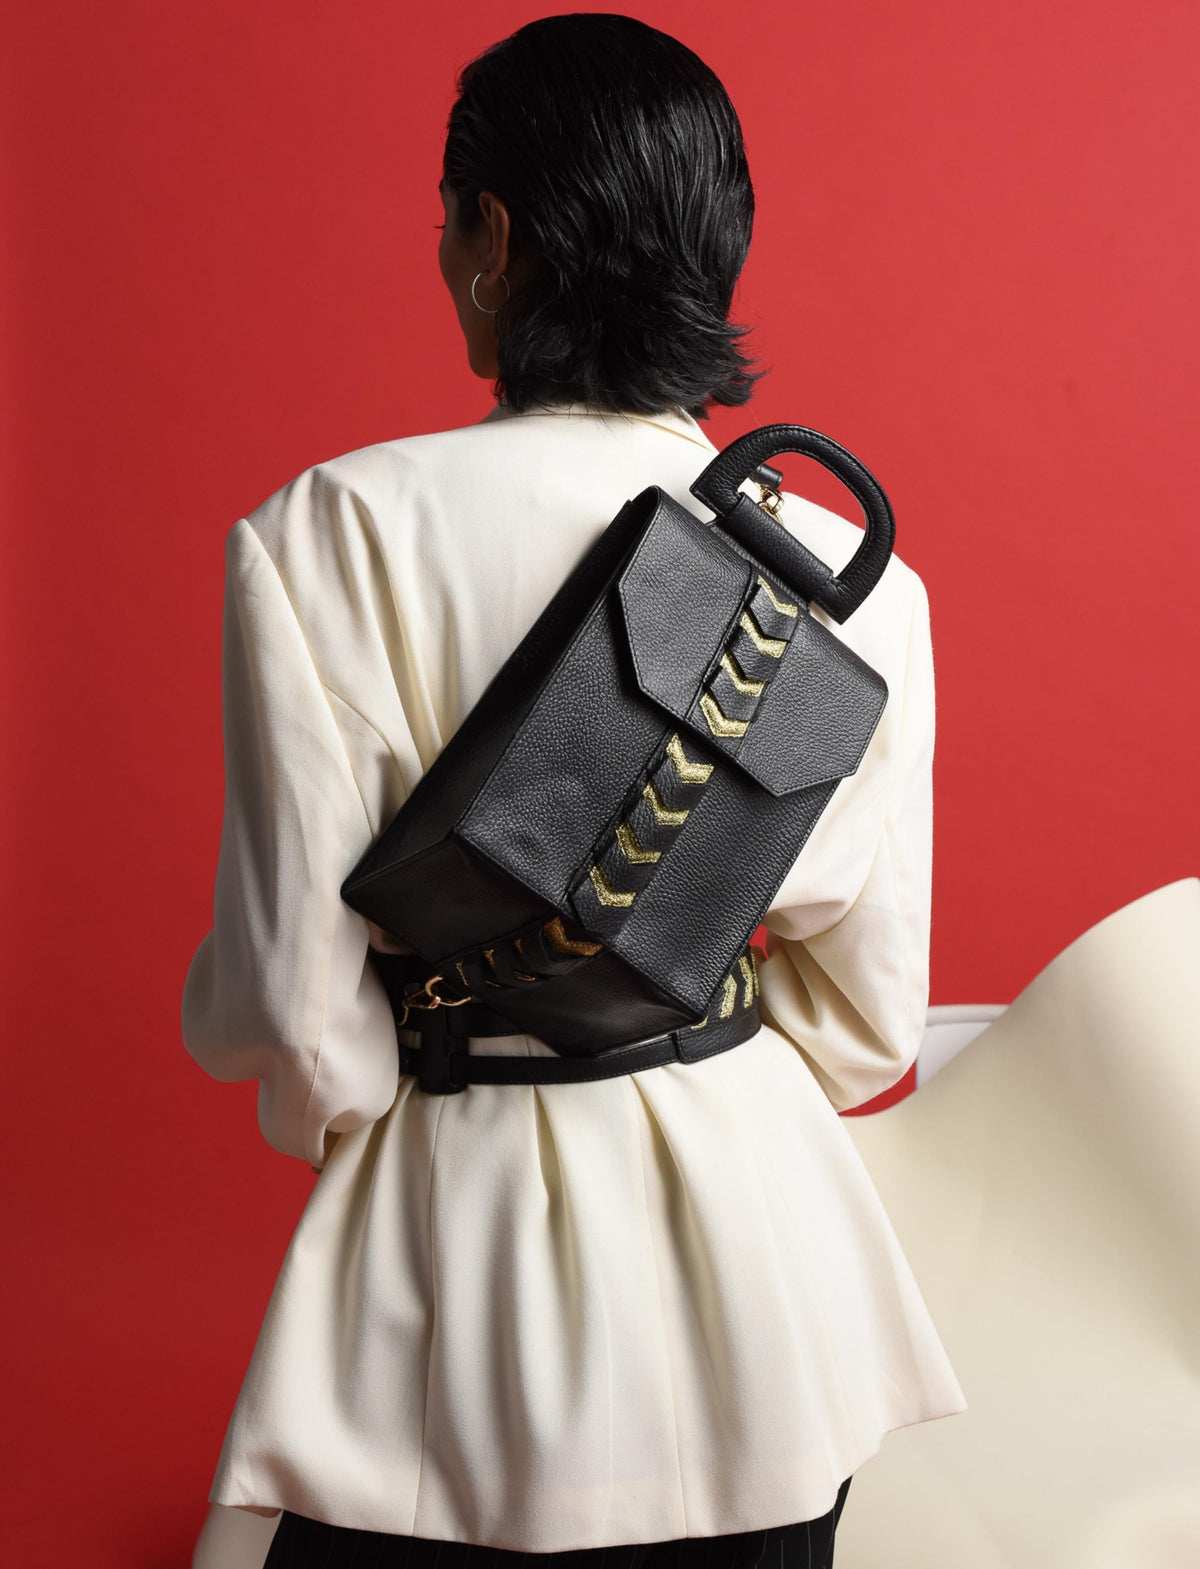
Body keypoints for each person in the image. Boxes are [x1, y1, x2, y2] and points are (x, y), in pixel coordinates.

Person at [181, 15, 966, 1569]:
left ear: (493, 239)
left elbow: (302, 1017)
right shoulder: (855, 581)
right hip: (770, 1290)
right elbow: (868, 1026)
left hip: (451, 1273)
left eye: (446, 223)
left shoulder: (326, 532)